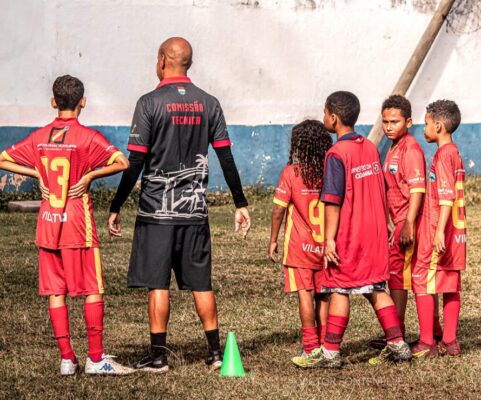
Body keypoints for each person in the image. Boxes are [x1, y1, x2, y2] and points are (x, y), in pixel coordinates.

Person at [108, 37, 251, 373]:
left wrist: (116, 204)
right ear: (189, 63)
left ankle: (158, 356)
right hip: (195, 212)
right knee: (202, 283)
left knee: (158, 283)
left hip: (155, 214)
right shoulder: (210, 103)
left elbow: (135, 161)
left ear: (162, 60)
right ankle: (216, 354)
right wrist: (240, 202)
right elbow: (226, 157)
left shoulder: (149, 102)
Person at [0, 75, 133, 375]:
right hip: (77, 223)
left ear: (53, 102)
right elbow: (122, 163)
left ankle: (66, 359)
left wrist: (37, 173)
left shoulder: (39, 137)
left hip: (48, 222)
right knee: (92, 288)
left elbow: (3, 159)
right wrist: (89, 176)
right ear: (82, 102)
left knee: (55, 291)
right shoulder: (87, 137)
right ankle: (95, 359)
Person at [312, 91, 411, 368]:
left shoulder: (336, 154)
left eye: (325, 112)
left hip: (350, 235)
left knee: (338, 289)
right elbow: (380, 187)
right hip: (374, 233)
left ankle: (331, 353)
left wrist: (329, 240)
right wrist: (387, 220)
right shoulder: (369, 147)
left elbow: (333, 202)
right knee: (375, 287)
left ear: (333, 118)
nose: (324, 117)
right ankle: (399, 345)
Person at [268, 120, 331, 368]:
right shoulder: (330, 172)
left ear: (298, 145)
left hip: (299, 249)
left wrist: (273, 239)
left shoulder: (291, 173)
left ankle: (310, 346)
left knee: (305, 294)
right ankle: (326, 345)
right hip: (326, 248)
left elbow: (278, 210)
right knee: (323, 296)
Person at [368, 95, 426, 350]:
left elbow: (417, 189)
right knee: (395, 276)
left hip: (406, 221)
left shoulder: (410, 149)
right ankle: (397, 332)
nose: (389, 127)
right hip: (397, 221)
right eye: (385, 122)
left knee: (399, 277)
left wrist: (408, 223)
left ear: (408, 122)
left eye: (395, 122)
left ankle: (398, 334)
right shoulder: (394, 146)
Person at [410, 100, 466, 358]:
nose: (424, 128)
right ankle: (450, 341)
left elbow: (446, 198)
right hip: (456, 233)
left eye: (427, 124)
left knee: (421, 279)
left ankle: (426, 342)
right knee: (450, 283)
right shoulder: (455, 153)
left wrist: (438, 231)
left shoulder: (443, 156)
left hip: (439, 229)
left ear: (439, 126)